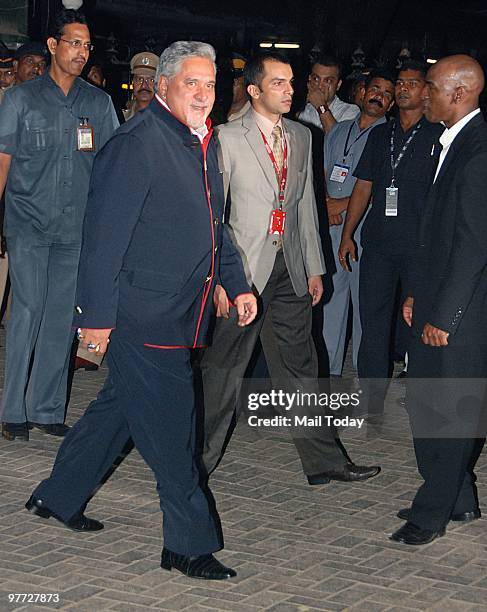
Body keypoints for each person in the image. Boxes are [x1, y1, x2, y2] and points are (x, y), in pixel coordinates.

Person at [26, 40, 257, 580]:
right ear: (164, 85)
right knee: (175, 433)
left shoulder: (199, 142)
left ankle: (57, 497)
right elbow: (103, 240)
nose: (203, 94)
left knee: (121, 411)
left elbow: (211, 227)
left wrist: (235, 282)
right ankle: (187, 544)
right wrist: (96, 320)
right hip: (142, 316)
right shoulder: (137, 144)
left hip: (180, 309)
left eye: (210, 84)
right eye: (192, 83)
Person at [200, 52, 380, 485]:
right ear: (255, 90)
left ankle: (324, 461)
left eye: (291, 82)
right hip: (241, 270)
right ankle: (195, 463)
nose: (289, 90)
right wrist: (222, 280)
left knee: (302, 366)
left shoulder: (302, 136)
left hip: (290, 269)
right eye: (278, 83)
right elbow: (213, 215)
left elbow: (304, 207)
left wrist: (314, 267)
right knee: (223, 371)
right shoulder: (225, 137)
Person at [0, 9, 119, 441]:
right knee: (28, 309)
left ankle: (46, 409)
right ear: (53, 45)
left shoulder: (98, 103)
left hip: (77, 230)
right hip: (28, 225)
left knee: (59, 317)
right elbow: (3, 162)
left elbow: (110, 170)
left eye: (87, 46)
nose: (81, 53)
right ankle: (12, 409)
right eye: (73, 43)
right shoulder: (20, 99)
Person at [391, 55, 487, 546]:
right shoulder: (445, 143)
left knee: (448, 411)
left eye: (429, 86)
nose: (421, 94)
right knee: (428, 402)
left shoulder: (478, 151)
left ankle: (432, 513)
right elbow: (436, 236)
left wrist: (445, 315)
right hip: (434, 297)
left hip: (461, 310)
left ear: (459, 92)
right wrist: (415, 294)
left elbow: (473, 244)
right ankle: (460, 497)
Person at [338, 60, 443, 415]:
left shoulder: (438, 135)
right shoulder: (382, 134)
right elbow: (363, 185)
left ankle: (420, 392)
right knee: (373, 318)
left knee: (417, 317)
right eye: (399, 83)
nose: (402, 89)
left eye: (411, 83)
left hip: (419, 245)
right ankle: (371, 397)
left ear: (426, 90)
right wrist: (348, 234)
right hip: (379, 242)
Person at [323, 70, 395, 376]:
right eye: (375, 89)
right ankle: (329, 371)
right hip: (332, 226)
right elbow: (324, 170)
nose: (379, 96)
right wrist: (326, 205)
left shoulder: (389, 137)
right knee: (331, 301)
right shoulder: (340, 131)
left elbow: (387, 187)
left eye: (387, 94)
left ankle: (366, 376)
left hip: (365, 231)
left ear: (390, 105)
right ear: (362, 92)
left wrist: (344, 205)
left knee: (365, 304)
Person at [298, 55, 360, 135]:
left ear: (338, 85)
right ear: (309, 79)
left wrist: (321, 106)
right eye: (316, 79)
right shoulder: (304, 109)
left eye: (328, 81)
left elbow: (336, 140)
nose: (320, 86)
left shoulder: (351, 111)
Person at [122, 51, 158, 121]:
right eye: (139, 79)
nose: (144, 85)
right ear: (133, 83)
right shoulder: (120, 118)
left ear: (159, 84)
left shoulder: (167, 120)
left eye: (151, 80)